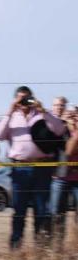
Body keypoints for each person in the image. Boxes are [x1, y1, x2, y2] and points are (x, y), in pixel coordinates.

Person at [0, 86, 66, 249]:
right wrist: (10, 111)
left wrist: (43, 111)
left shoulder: (41, 114)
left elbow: (60, 129)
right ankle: (16, 249)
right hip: (20, 169)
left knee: (41, 210)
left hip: (42, 168)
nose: (24, 102)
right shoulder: (12, 117)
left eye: (27, 98)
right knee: (19, 211)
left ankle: (41, 249)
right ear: (15, 100)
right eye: (20, 99)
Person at [53, 105, 78, 249]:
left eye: (75, 114)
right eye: (70, 114)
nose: (73, 117)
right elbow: (67, 152)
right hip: (61, 177)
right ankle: (57, 247)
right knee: (58, 214)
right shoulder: (61, 131)